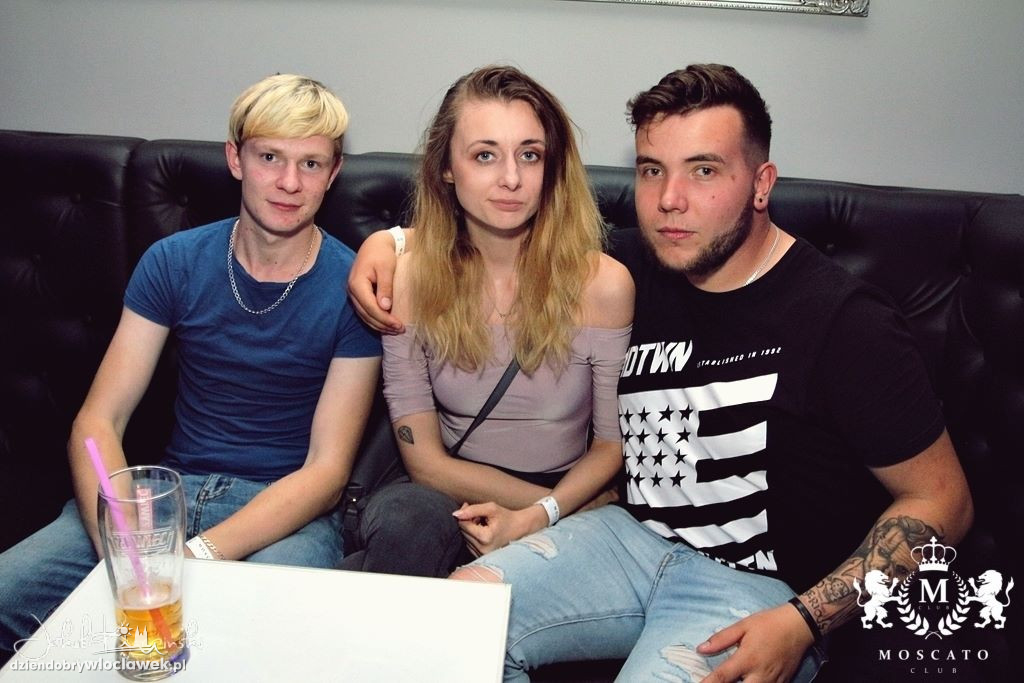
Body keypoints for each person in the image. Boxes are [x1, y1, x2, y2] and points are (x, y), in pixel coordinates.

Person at [347, 64, 973, 682]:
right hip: (625, 541)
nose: (670, 199)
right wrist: (387, 246)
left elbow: (944, 501)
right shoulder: (630, 265)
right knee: (455, 624)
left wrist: (804, 620)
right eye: (652, 170)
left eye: (704, 171)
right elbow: (494, 232)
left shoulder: (845, 321)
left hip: (755, 587)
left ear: (761, 184)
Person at [0, 73, 381, 658]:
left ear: (333, 175)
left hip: (283, 512)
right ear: (235, 159)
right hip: (162, 497)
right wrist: (125, 543)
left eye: (310, 164)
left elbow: (326, 472)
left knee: (268, 640)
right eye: (270, 157)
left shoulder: (354, 286)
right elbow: (98, 421)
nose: (289, 182)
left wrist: (195, 557)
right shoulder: (174, 261)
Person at [339, 65, 633, 578]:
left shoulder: (602, 286)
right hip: (450, 491)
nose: (511, 179)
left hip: (564, 490)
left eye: (530, 155)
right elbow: (425, 463)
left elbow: (610, 447)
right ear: (447, 168)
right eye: (484, 155)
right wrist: (561, 507)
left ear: (552, 167)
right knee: (408, 523)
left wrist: (540, 516)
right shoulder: (409, 281)